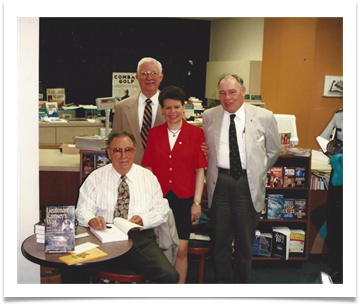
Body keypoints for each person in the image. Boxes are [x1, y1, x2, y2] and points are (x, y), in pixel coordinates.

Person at [202, 74, 282, 284]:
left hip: (247, 185)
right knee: (220, 241)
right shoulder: (209, 116)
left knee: (245, 242)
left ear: (243, 91)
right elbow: (206, 148)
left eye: (232, 92)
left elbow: (274, 150)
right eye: (222, 93)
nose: (227, 97)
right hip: (220, 183)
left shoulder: (264, 116)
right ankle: (221, 284)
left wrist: (257, 171)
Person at [75, 130, 179, 284]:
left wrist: (144, 220)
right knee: (74, 269)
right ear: (109, 153)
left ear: (134, 152)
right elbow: (82, 209)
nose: (123, 156)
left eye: (128, 150)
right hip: (103, 237)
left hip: (139, 239)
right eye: (117, 150)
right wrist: (91, 219)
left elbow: (162, 209)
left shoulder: (148, 177)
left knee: (169, 276)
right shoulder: (96, 177)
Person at [142, 86, 208, 284]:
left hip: (184, 199)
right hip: (159, 199)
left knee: (181, 249)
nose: (173, 112)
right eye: (168, 108)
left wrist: (196, 202)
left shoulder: (196, 134)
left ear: (184, 107)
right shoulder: (154, 134)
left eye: (177, 107)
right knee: (158, 248)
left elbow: (200, 171)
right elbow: (148, 168)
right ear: (162, 109)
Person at [112, 57, 208, 165]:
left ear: (161, 77)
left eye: (153, 73)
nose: (149, 77)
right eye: (144, 73)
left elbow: (185, 139)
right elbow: (114, 143)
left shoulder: (174, 108)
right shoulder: (121, 108)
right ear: (137, 76)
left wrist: (200, 147)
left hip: (164, 170)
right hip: (131, 169)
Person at [319, 108, 343, 283]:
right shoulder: (340, 115)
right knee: (335, 218)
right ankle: (338, 266)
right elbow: (323, 139)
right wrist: (333, 152)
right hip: (340, 171)